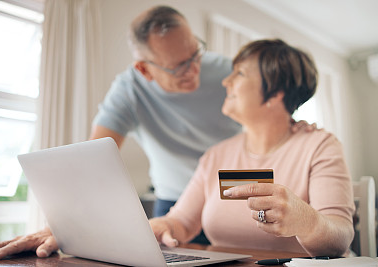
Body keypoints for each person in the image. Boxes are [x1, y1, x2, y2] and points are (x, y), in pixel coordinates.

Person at [0, 6, 313, 260]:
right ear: (144, 68)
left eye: (195, 53)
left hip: (232, 192)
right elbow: (91, 162)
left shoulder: (226, 70)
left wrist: (295, 126)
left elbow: (272, 105)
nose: (194, 69)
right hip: (173, 203)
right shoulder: (127, 93)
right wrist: (63, 225)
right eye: (180, 66)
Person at [150, 39, 355, 257]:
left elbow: (340, 237)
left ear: (276, 93)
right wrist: (164, 227)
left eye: (239, 74)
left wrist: (307, 221)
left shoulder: (320, 146)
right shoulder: (216, 155)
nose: (226, 82)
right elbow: (182, 221)